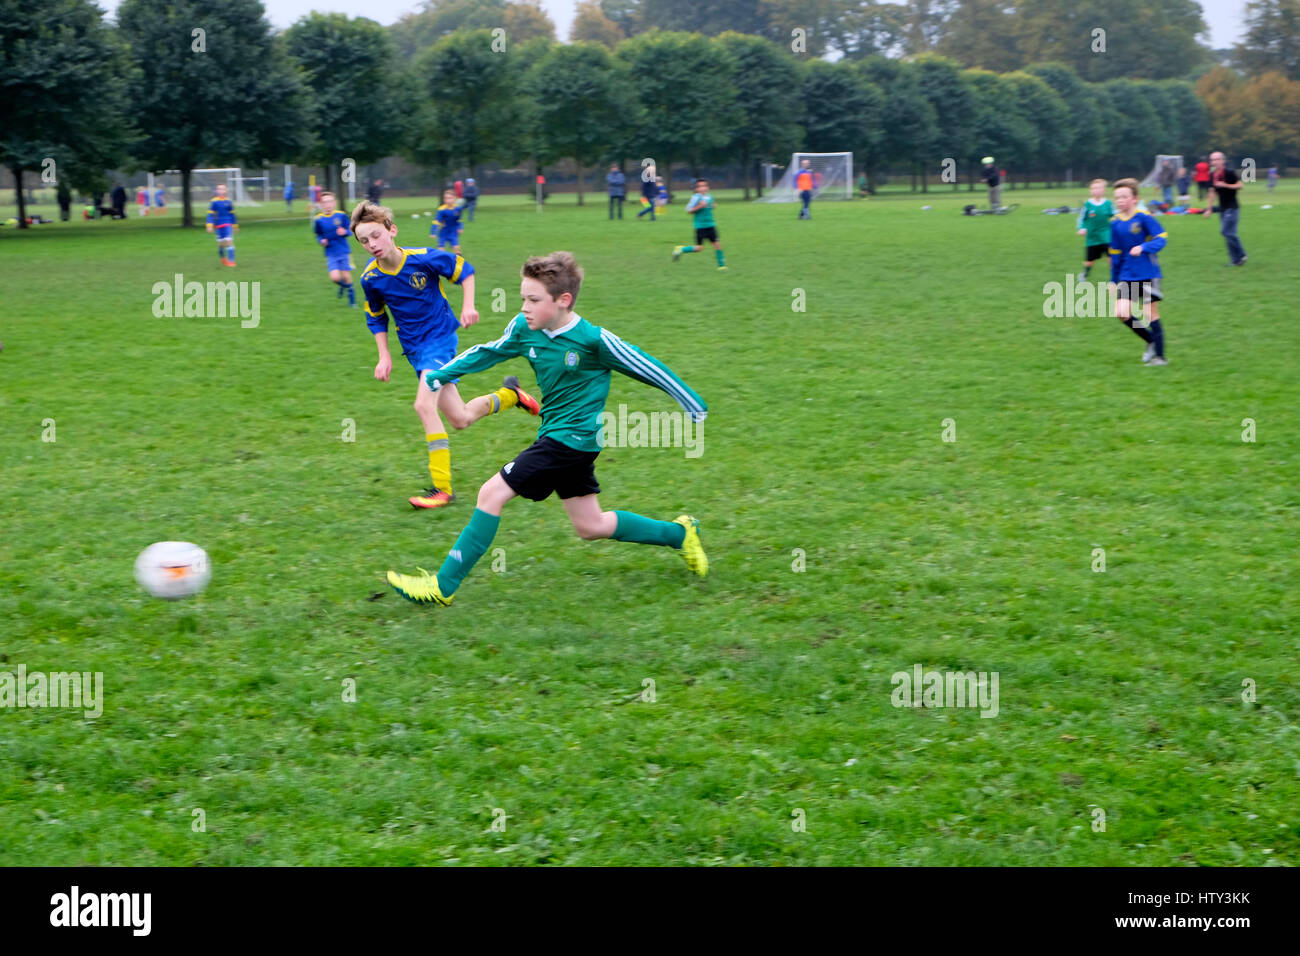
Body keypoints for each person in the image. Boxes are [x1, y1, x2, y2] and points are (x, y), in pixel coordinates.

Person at [386, 251, 708, 607]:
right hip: (560, 437)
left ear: (563, 301)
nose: (524, 306)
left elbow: (646, 366)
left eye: (533, 300)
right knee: (591, 526)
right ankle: (680, 534)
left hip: (572, 439)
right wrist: (441, 374)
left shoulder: (593, 341)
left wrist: (690, 403)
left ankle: (442, 586)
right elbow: (490, 351)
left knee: (491, 494)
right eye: (523, 297)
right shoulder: (526, 328)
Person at [351, 198, 539, 510]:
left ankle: (442, 488)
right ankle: (510, 395)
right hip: (415, 350)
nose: (372, 244)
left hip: (439, 342)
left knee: (424, 406)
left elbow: (465, 271)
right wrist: (383, 356)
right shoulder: (370, 278)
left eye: (376, 235)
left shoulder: (423, 258)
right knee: (460, 418)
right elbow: (376, 317)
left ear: (392, 230)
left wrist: (468, 306)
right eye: (363, 240)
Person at [1109, 178, 1168, 366]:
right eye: (1117, 197)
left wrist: (1143, 247)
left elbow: (1162, 238)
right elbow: (1115, 254)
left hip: (1148, 272)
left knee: (1150, 314)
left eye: (1124, 197)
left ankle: (1160, 357)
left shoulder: (1144, 217)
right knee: (1122, 313)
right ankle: (1150, 340)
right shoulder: (1115, 223)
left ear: (1134, 198)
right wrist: (1113, 280)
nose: (1120, 201)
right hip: (1127, 274)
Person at [672, 178, 726, 271]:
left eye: (705, 186)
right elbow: (688, 210)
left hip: (711, 225)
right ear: (696, 189)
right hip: (700, 227)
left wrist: (713, 206)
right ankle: (680, 249)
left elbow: (711, 206)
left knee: (717, 245)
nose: (703, 188)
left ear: (708, 187)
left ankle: (721, 266)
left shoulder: (710, 197)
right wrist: (699, 206)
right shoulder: (695, 197)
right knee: (699, 248)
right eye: (700, 186)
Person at [313, 191, 355, 306]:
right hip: (330, 252)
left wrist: (345, 232)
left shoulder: (341, 215)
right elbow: (318, 234)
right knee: (335, 278)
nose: (328, 204)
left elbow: (351, 229)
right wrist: (321, 241)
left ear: (334, 203)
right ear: (321, 205)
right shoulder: (318, 219)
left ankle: (352, 301)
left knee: (346, 275)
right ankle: (344, 287)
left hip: (344, 250)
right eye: (325, 202)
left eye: (330, 201)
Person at [1204, 151, 1246, 266]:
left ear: (1223, 160)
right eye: (1212, 160)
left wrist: (1225, 185)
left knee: (1225, 232)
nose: (1214, 162)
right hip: (1222, 209)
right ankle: (1235, 260)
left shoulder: (1229, 173)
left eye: (1217, 159)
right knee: (1229, 234)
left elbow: (1240, 185)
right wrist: (1209, 209)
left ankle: (1241, 254)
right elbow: (1212, 193)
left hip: (1232, 207)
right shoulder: (1212, 176)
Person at [1076, 178, 1114, 283]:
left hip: (1106, 235)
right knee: (1089, 261)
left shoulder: (1108, 204)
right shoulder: (1088, 205)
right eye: (1093, 188)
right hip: (1092, 237)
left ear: (1104, 190)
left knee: (1111, 258)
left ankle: (1113, 278)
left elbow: (1114, 216)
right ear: (1090, 191)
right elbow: (1082, 219)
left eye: (1098, 188)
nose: (1095, 190)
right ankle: (1085, 273)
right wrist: (1081, 228)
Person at [205, 183, 238, 267]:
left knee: (229, 241)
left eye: (223, 189)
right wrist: (209, 225)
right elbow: (210, 214)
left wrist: (235, 226)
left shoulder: (229, 201)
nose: (220, 190)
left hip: (227, 223)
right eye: (219, 189)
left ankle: (231, 261)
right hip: (218, 225)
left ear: (226, 191)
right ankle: (223, 258)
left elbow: (232, 214)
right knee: (221, 244)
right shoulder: (214, 202)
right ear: (217, 191)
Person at [433, 188, 466, 254]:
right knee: (440, 250)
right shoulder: (441, 209)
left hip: (453, 231)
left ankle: (458, 261)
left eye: (450, 198)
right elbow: (436, 221)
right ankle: (441, 262)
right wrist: (433, 232)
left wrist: (460, 228)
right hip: (443, 232)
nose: (448, 200)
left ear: (455, 199)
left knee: (457, 249)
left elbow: (459, 220)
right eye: (446, 198)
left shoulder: (458, 208)